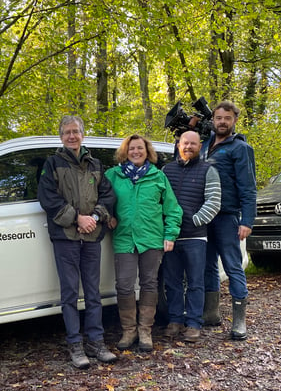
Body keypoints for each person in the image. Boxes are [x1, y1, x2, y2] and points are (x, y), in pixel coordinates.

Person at [37, 115, 117, 369]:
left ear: (83, 134)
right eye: (67, 132)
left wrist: (94, 217)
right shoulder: (52, 164)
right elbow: (48, 198)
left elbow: (108, 195)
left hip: (92, 237)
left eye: (76, 132)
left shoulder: (95, 164)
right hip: (66, 238)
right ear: (61, 136)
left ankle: (96, 342)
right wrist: (77, 219)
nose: (72, 136)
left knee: (93, 293)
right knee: (70, 294)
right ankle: (75, 344)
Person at [105, 134, 182, 352]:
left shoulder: (157, 177)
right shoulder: (113, 175)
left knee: (149, 284)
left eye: (140, 148)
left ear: (147, 151)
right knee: (124, 285)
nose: (136, 152)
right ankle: (129, 330)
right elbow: (101, 199)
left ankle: (145, 330)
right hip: (124, 239)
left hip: (152, 239)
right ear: (125, 152)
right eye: (131, 149)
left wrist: (170, 234)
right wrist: (107, 215)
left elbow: (173, 209)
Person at [201, 101, 256, 340]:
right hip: (204, 216)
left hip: (227, 216)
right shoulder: (205, 145)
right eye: (218, 117)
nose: (222, 121)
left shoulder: (240, 148)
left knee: (232, 266)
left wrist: (247, 220)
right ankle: (211, 314)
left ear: (234, 121)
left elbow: (248, 187)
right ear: (212, 119)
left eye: (227, 118)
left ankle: (239, 321)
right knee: (208, 265)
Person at [162, 130, 221, 343]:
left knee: (196, 282)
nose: (188, 147)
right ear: (179, 145)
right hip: (170, 237)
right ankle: (176, 320)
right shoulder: (166, 170)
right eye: (185, 143)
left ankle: (194, 323)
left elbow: (214, 202)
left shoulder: (208, 170)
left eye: (193, 144)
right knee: (172, 281)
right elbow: (158, 199)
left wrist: (194, 221)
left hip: (195, 237)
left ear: (199, 146)